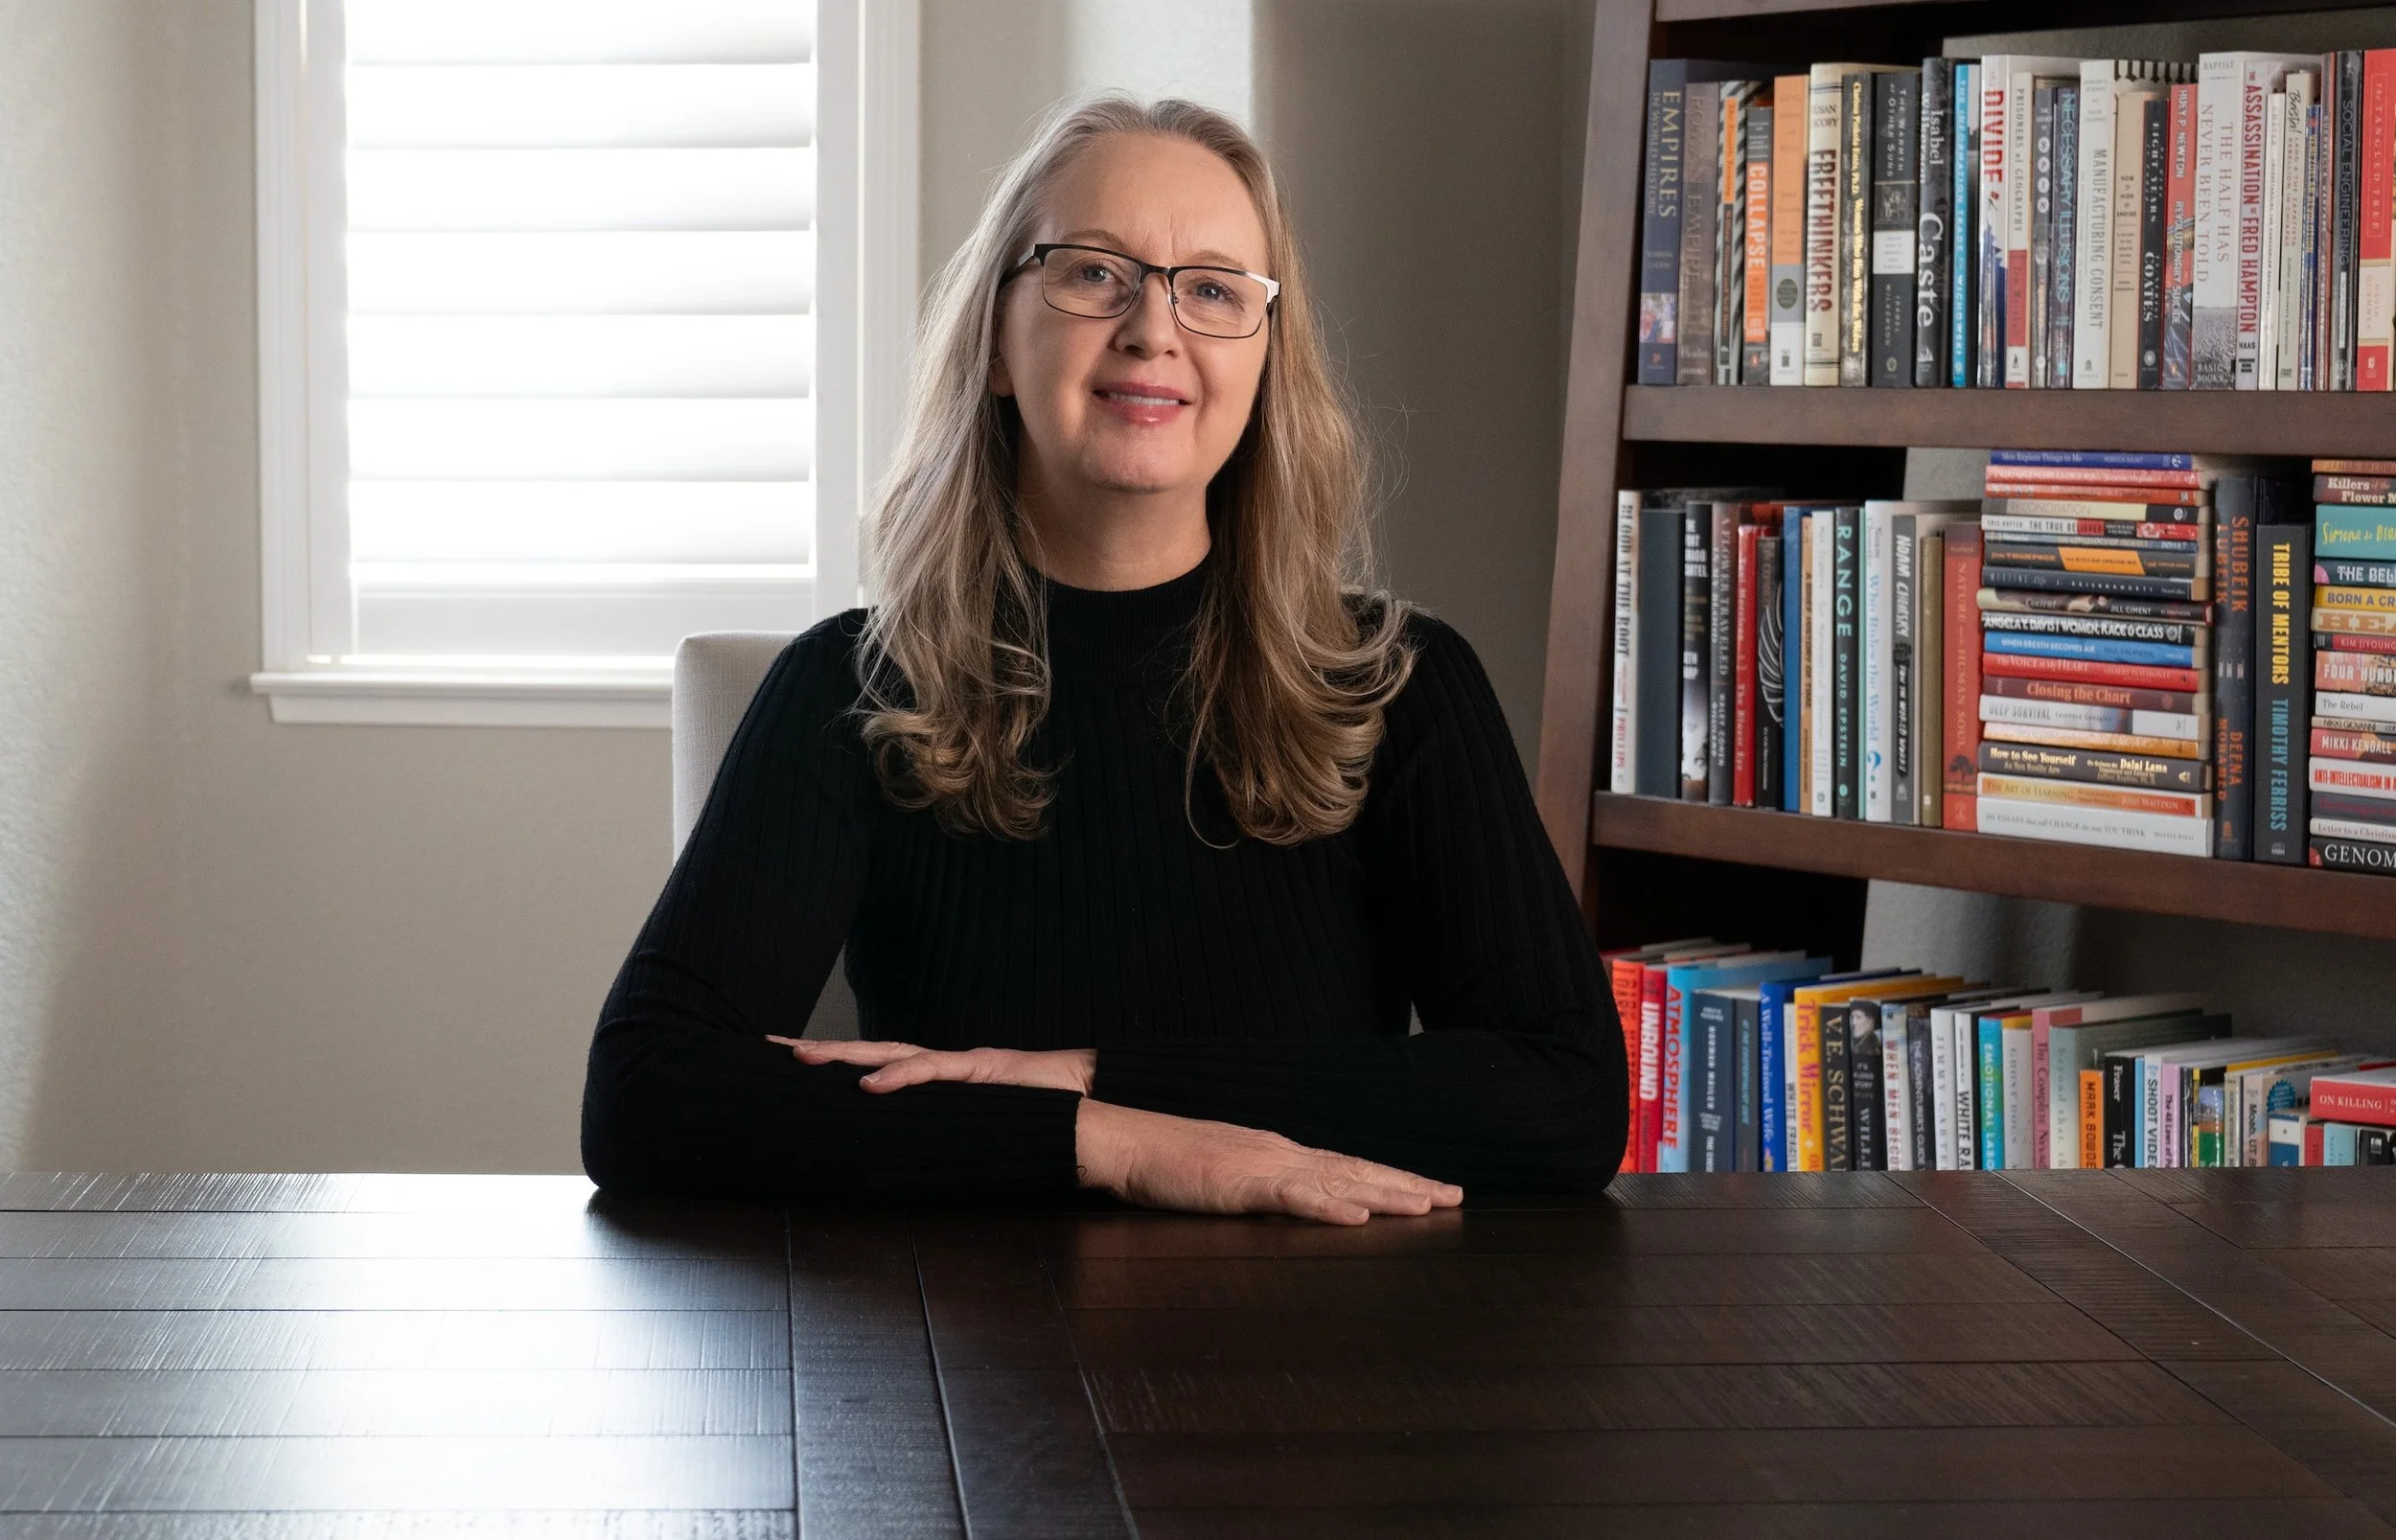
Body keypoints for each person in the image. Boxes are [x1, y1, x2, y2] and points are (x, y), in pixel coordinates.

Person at [579, 94, 1627, 1225]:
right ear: (994, 337)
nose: (1153, 328)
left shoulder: (1401, 683)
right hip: (960, 1365)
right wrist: (1112, 1141)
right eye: (1092, 273)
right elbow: (645, 1094)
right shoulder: (851, 689)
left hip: (1319, 1361)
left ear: (1267, 361)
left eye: (1214, 289)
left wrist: (1088, 1069)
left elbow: (1564, 1099)